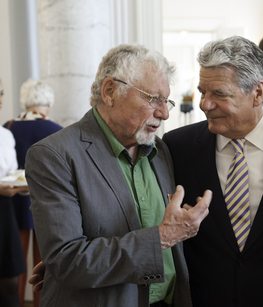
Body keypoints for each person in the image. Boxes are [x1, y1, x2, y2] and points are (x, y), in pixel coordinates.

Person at [24, 44, 212, 307]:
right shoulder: (54, 155)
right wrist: (162, 237)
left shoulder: (161, 150)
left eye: (166, 100)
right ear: (110, 91)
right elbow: (67, 261)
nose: (164, 113)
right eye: (152, 98)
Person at [162, 36, 263, 307]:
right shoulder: (178, 147)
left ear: (258, 93)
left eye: (219, 94)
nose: (205, 104)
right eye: (203, 92)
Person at [3, 78, 62, 307]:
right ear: (47, 103)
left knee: (15, 264)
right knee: (44, 264)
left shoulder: (8, 127)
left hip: (12, 202)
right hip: (47, 202)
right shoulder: (57, 130)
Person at [0, 78, 27, 307]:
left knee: (10, 281)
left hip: (4, 210)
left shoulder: (5, 135)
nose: (0, 101)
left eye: (0, 94)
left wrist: (23, 184)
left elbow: (11, 173)